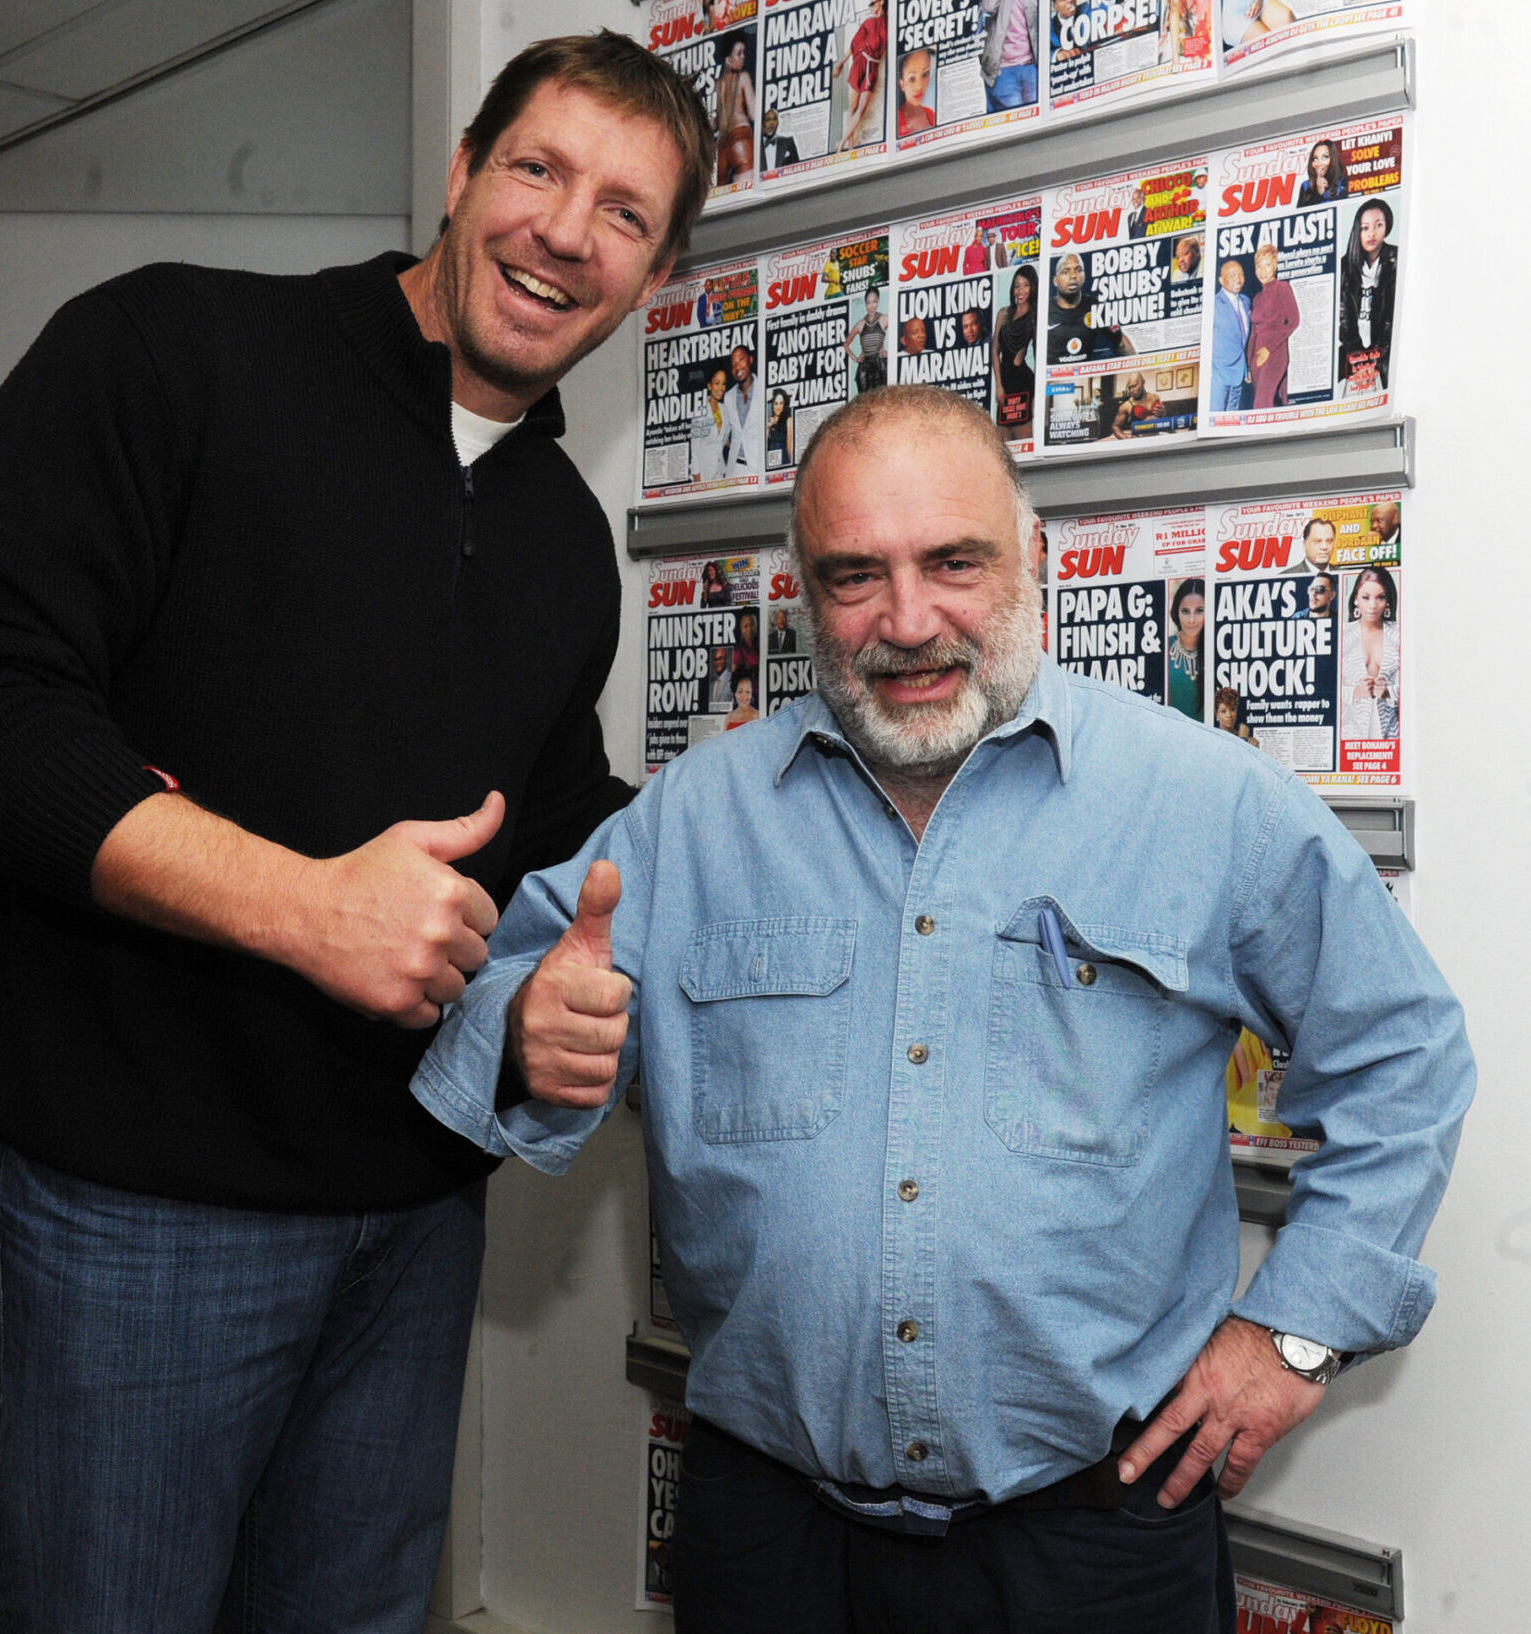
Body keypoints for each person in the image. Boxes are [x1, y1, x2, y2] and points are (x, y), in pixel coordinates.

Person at [0, 30, 713, 1634]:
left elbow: (537, 821)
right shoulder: (173, 349)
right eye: (536, 170)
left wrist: (551, 984)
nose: (562, 230)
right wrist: (294, 904)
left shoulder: (559, 535)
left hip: (413, 1215)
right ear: (460, 175)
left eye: (622, 214)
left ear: (652, 276)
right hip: (143, 1214)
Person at [410, 385, 1472, 1633]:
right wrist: (524, 1034)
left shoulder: (1204, 804)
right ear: (805, 593)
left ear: (1037, 558)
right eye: (854, 575)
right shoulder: (694, 820)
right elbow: (488, 1015)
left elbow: (1401, 1050)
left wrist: (1293, 1332)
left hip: (1097, 1534)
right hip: (769, 1534)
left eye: (953, 561)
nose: (906, 621)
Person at [1337, 197, 1398, 391]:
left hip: (1385, 351)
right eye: (1365, 228)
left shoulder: (1396, 259)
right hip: (1354, 351)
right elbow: (1342, 316)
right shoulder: (1345, 266)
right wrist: (1358, 356)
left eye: (1378, 225)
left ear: (1387, 227)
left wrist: (1377, 356)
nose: (1372, 233)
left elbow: (1391, 317)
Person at [1341, 565, 1400, 742]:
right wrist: (1354, 693)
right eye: (1365, 597)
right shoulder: (1342, 635)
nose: (1373, 605)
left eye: (1380, 597)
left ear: (1388, 600)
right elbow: (1323, 691)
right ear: (1355, 599)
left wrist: (1389, 692)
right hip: (1350, 734)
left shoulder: (1399, 634)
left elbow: (1420, 685)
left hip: (1391, 733)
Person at [1045, 250, 1132, 366]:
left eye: (1078, 270)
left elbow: (1121, 342)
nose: (1073, 276)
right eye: (1066, 271)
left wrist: (1138, 369)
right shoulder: (1044, 311)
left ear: (1084, 276)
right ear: (1055, 281)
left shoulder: (1095, 307)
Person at [1247, 241, 1298, 409]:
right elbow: (1254, 333)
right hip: (1256, 358)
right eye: (1259, 266)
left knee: (1261, 405)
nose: (1263, 270)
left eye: (1267, 265)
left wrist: (1269, 349)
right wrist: (1249, 364)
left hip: (1275, 353)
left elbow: (1294, 321)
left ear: (1275, 265)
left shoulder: (1282, 288)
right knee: (1265, 404)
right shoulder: (1257, 298)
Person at [836, 0, 889, 150]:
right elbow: (853, 46)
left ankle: (842, 143)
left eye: (873, 4)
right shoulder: (868, 22)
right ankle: (850, 146)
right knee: (852, 107)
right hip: (860, 63)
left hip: (873, 66)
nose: (871, 7)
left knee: (862, 108)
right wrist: (840, 64)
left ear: (881, 2)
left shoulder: (888, 22)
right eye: (870, 5)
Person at [993, 264, 1038, 437]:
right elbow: (995, 351)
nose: (1021, 290)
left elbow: (1040, 354)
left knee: (1024, 441)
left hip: (1023, 383)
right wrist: (998, 385)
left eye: (1026, 285)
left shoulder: (1035, 315)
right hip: (1005, 385)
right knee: (1003, 446)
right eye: (1017, 285)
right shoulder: (1003, 314)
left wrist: (1037, 394)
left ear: (1033, 287)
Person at [1210, 256, 1253, 413]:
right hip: (1218, 373)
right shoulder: (1213, 304)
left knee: (1231, 420)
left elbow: (1243, 339)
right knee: (1215, 416)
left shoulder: (1246, 301)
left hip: (1239, 373)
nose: (1238, 279)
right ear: (1221, 280)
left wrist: (1246, 367)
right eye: (1232, 275)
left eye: (1240, 274)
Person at [715, 31, 757, 187]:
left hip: (723, 145)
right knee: (746, 194)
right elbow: (753, 113)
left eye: (743, 53)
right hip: (741, 137)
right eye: (739, 53)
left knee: (720, 198)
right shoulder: (743, 77)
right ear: (728, 59)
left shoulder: (718, 85)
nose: (743, 57)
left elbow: (716, 122)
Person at [982, 0, 1039, 113]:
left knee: (1037, 115)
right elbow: (987, 7)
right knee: (1015, 119)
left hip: (1030, 66)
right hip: (1003, 69)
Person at [1167, 574, 1204, 721]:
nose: (1191, 620)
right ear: (1177, 611)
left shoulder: (1219, 652)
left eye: (1199, 611)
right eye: (1185, 611)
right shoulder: (1162, 648)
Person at [724, 342, 760, 477]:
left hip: (758, 466)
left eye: (741, 360)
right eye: (733, 364)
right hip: (735, 469)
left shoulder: (764, 388)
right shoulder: (728, 397)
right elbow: (725, 433)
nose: (737, 366)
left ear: (750, 360)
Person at [692, 365, 733, 482]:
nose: (721, 388)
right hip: (705, 475)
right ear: (709, 385)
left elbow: (723, 439)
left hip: (721, 472)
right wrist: (698, 482)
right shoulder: (700, 412)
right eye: (717, 383)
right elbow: (695, 450)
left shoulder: (725, 410)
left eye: (724, 383)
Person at [848, 284, 890, 392]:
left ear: (878, 301)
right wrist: (856, 358)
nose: (871, 306)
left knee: (882, 398)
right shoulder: (860, 324)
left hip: (880, 364)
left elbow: (900, 332)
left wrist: (889, 353)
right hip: (865, 368)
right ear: (865, 304)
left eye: (874, 302)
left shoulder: (884, 319)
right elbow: (846, 345)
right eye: (868, 303)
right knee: (865, 403)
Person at [897, 48, 937, 137]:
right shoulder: (895, 121)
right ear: (902, 84)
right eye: (911, 79)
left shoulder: (930, 113)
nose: (919, 86)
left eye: (925, 74)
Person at [1296, 138, 1341, 206]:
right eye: (1315, 158)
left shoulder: (1342, 182)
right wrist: (1318, 194)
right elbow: (1300, 214)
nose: (1319, 163)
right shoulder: (1306, 186)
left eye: (1325, 157)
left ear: (1333, 159)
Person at [760, 106, 800, 171]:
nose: (771, 123)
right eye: (768, 120)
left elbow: (797, 166)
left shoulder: (788, 142)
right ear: (762, 123)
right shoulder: (754, 146)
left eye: (774, 119)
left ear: (778, 122)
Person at [765, 388, 796, 470]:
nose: (778, 407)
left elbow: (790, 446)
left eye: (781, 403)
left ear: (784, 404)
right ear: (772, 405)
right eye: (776, 403)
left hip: (783, 463)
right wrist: (768, 428)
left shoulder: (788, 420)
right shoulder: (768, 421)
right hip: (770, 463)